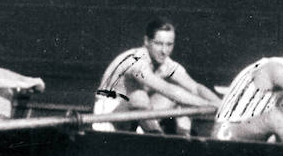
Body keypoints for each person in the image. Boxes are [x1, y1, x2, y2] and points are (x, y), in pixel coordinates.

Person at [93, 17, 223, 135]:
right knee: (139, 96)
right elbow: (168, 90)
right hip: (108, 118)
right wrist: (208, 105)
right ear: (146, 42)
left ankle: (183, 139)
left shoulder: (166, 64)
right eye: (158, 44)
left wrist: (222, 105)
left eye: (169, 44)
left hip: (135, 116)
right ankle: (156, 138)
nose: (164, 51)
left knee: (178, 93)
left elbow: (196, 88)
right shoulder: (136, 62)